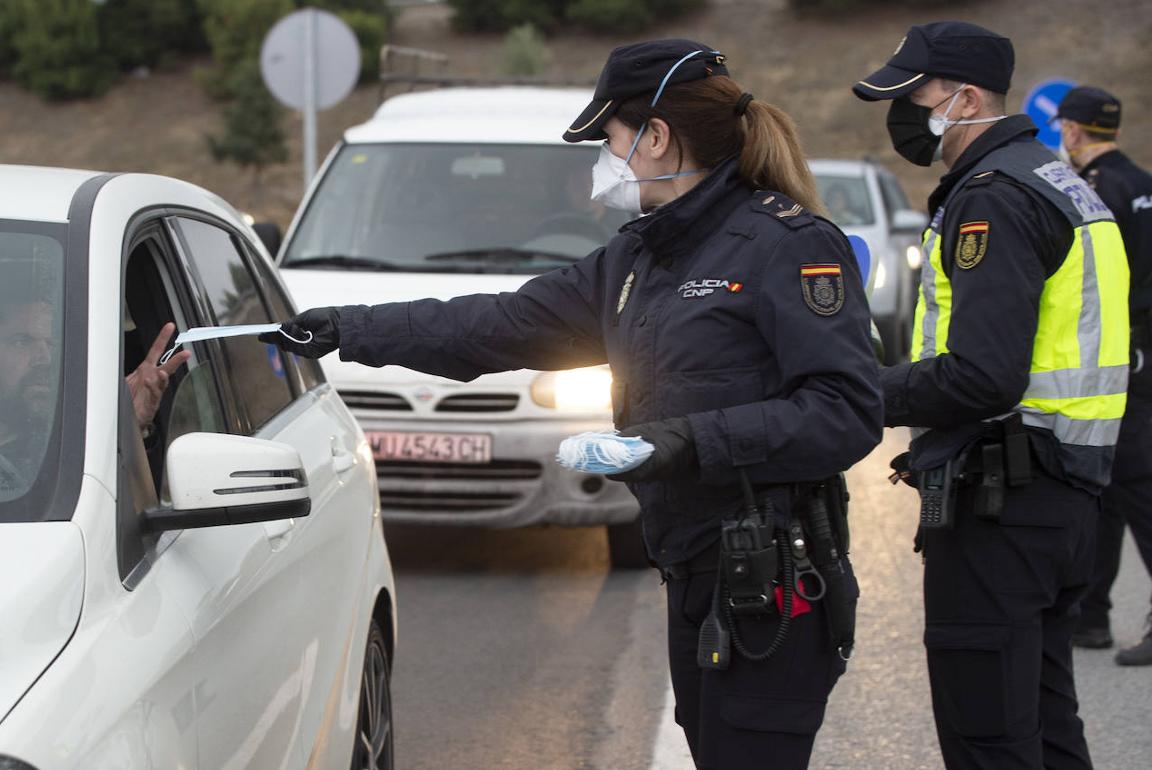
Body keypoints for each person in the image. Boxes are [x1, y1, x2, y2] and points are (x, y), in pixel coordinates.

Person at [265, 39, 882, 769]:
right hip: (694, 574)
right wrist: (350, 327)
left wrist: (684, 440)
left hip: (769, 580)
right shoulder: (639, 257)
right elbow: (498, 323)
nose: (603, 161)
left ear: (656, 137)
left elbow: (846, 410)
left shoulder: (786, 246)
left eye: (609, 139)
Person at [855, 21, 1129, 770]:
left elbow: (982, 375)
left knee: (988, 735)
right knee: (1043, 722)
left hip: (1004, 501)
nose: (906, 110)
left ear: (965, 97)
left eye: (915, 94)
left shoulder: (993, 199)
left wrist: (852, 393)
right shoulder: (1054, 179)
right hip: (1061, 494)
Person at [1056, 86, 1152, 666]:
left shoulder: (1091, 193)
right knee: (1111, 492)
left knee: (1134, 490)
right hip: (1144, 352)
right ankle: (1091, 618)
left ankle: (1093, 616)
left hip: (1118, 358)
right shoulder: (1144, 184)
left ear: (1072, 131)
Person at [0, 261, 189, 478]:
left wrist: (128, 430)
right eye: (21, 342)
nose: (45, 358)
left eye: (52, 342)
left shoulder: (79, 453)